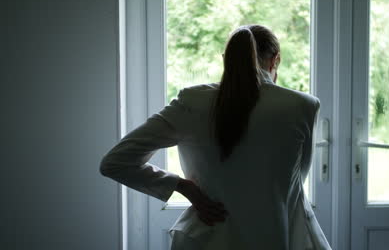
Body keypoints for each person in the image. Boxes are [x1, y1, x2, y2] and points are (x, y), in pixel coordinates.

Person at [100, 24, 331, 250]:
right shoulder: (303, 106)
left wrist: (183, 187)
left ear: (226, 58)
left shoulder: (191, 101)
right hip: (275, 237)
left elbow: (115, 162)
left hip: (205, 238)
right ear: (276, 59)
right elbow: (294, 184)